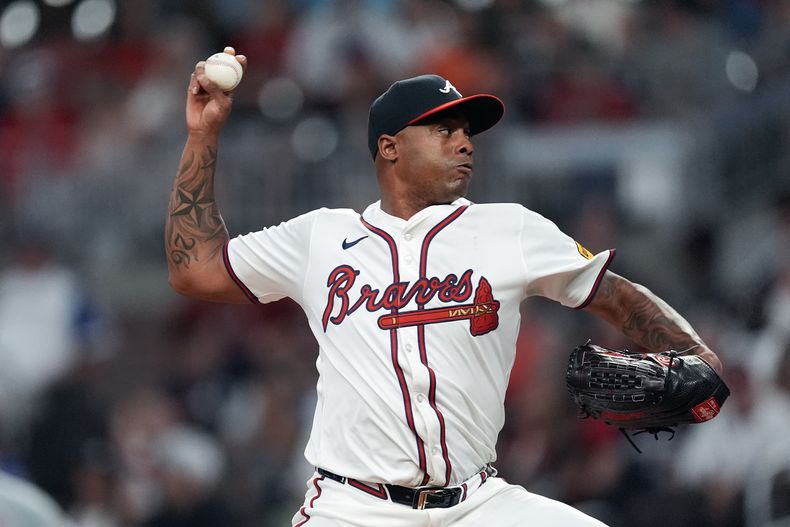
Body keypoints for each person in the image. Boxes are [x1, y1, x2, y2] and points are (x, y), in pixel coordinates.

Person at [165, 47, 723, 527]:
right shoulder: (321, 237)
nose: (464, 143)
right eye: (444, 129)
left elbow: (616, 296)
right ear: (389, 148)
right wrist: (203, 135)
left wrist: (695, 353)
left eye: (466, 132)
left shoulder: (510, 228)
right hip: (355, 508)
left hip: (478, 504)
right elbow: (195, 268)